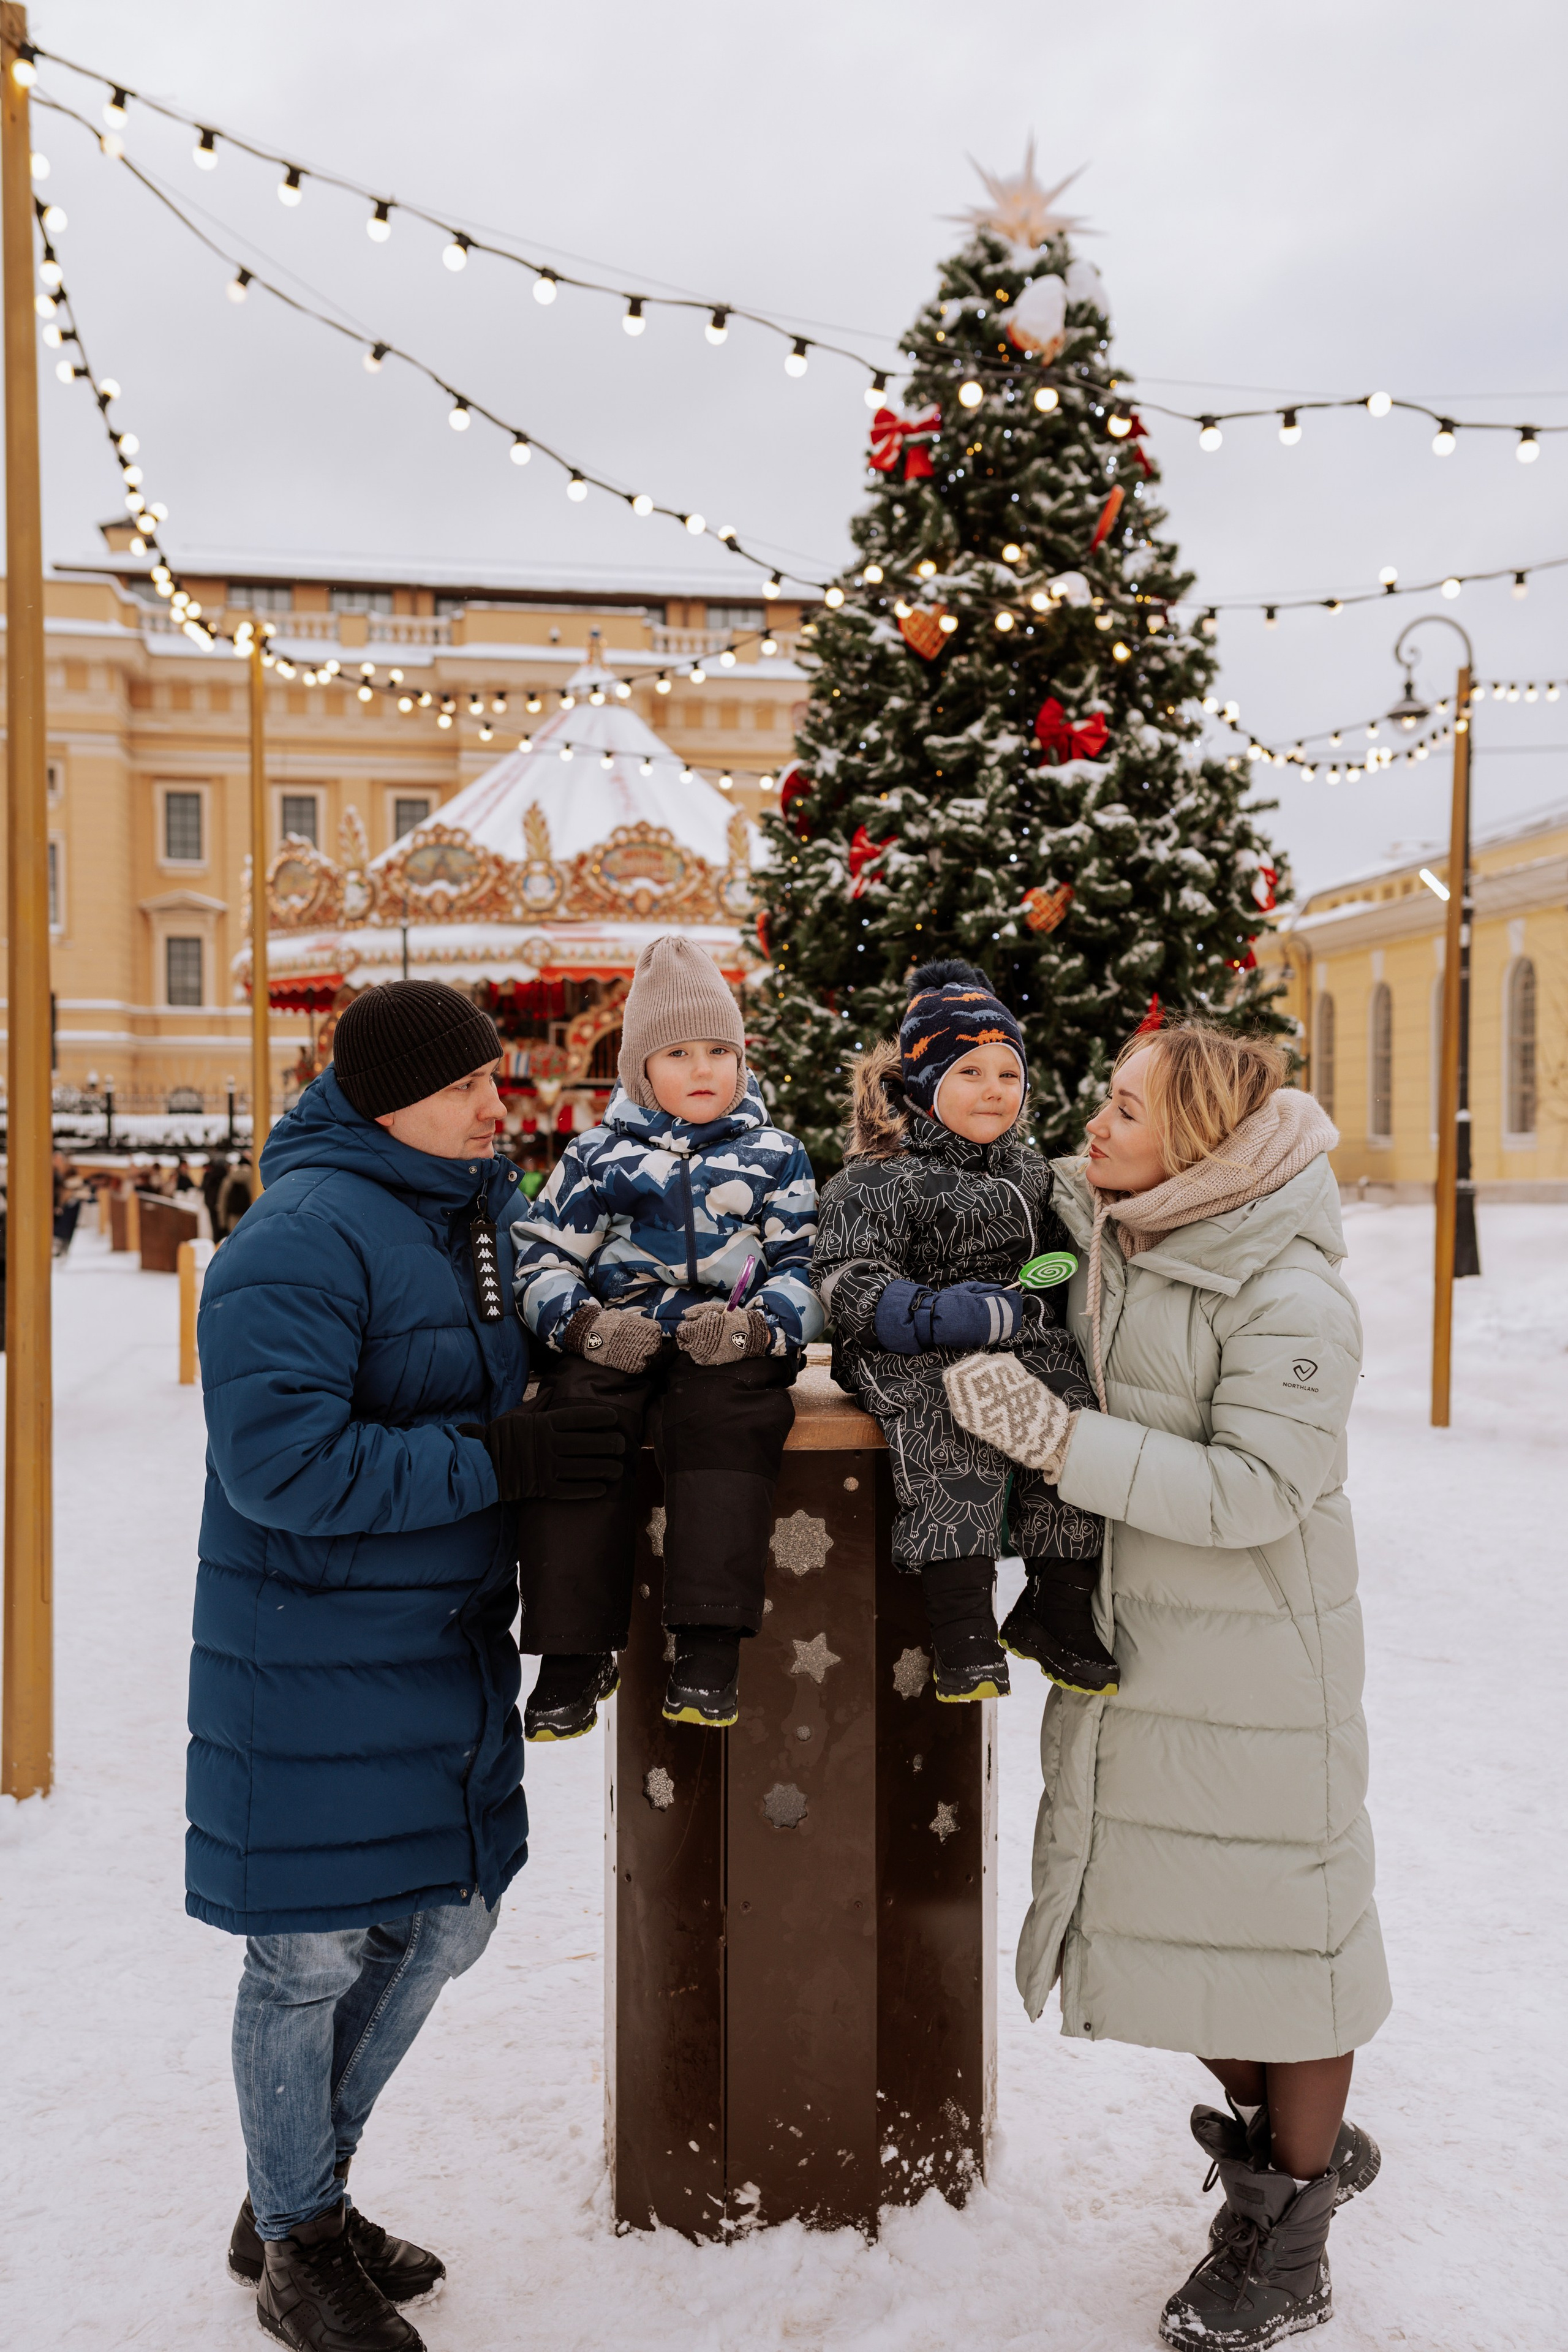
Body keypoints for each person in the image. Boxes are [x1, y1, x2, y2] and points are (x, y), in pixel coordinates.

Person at [943, 1018, 1390, 2350]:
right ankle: (1290, 2154)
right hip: (1142, 1659)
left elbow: (1260, 1489)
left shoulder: (1288, 1297)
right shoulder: (1112, 1237)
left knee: (1280, 1956)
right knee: (1156, 1934)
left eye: (1127, 1111)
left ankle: (1287, 2227)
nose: (1095, 1124)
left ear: (1194, 1141)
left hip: (1252, 1673)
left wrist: (1056, 1441)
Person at [189, 979, 623, 2352]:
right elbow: (279, 1468)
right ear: (390, 1103)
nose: (501, 1103)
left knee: (448, 1918)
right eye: (470, 1087)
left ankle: (293, 2195)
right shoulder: (300, 1238)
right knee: (306, 1956)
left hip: (434, 1643)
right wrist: (492, 1460)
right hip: (312, 1657)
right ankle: (300, 2234)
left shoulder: (469, 1212)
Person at [511, 935, 823, 1736]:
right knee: (575, 1422)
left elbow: (805, 1267)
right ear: (639, 1066)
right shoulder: (598, 1158)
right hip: (620, 1336)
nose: (703, 1069)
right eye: (678, 1052)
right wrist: (585, 1326)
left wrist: (760, 1329)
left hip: (727, 1339)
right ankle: (574, 1653)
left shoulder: (774, 1157)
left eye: (719, 1049)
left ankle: (709, 1643)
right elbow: (542, 1260)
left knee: (727, 1423)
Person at [810, 960, 1103, 1702]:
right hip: (903, 1346)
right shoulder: (876, 1178)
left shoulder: (1034, 1176)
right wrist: (929, 1312)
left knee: (1071, 1410)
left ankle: (1057, 1602)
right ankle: (962, 1625)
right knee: (948, 1419)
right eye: (970, 1071)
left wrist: (1036, 1304)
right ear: (920, 1084)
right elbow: (845, 1276)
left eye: (1009, 1074)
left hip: (1014, 1335)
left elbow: (1060, 1261)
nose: (995, 1089)